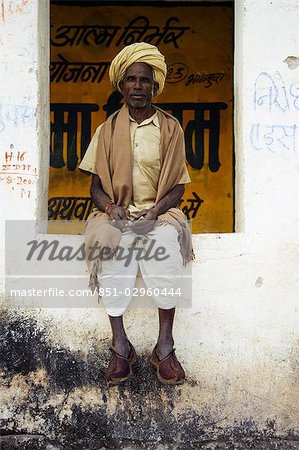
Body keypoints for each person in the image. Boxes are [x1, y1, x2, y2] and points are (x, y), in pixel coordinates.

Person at [79, 42, 193, 385]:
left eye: (145, 80)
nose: (138, 86)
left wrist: (156, 210)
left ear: (154, 86)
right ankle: (120, 346)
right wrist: (112, 209)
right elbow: (95, 188)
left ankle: (165, 346)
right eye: (131, 80)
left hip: (158, 214)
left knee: (167, 257)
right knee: (110, 254)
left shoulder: (171, 129)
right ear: (122, 86)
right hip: (117, 215)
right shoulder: (106, 131)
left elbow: (178, 187)